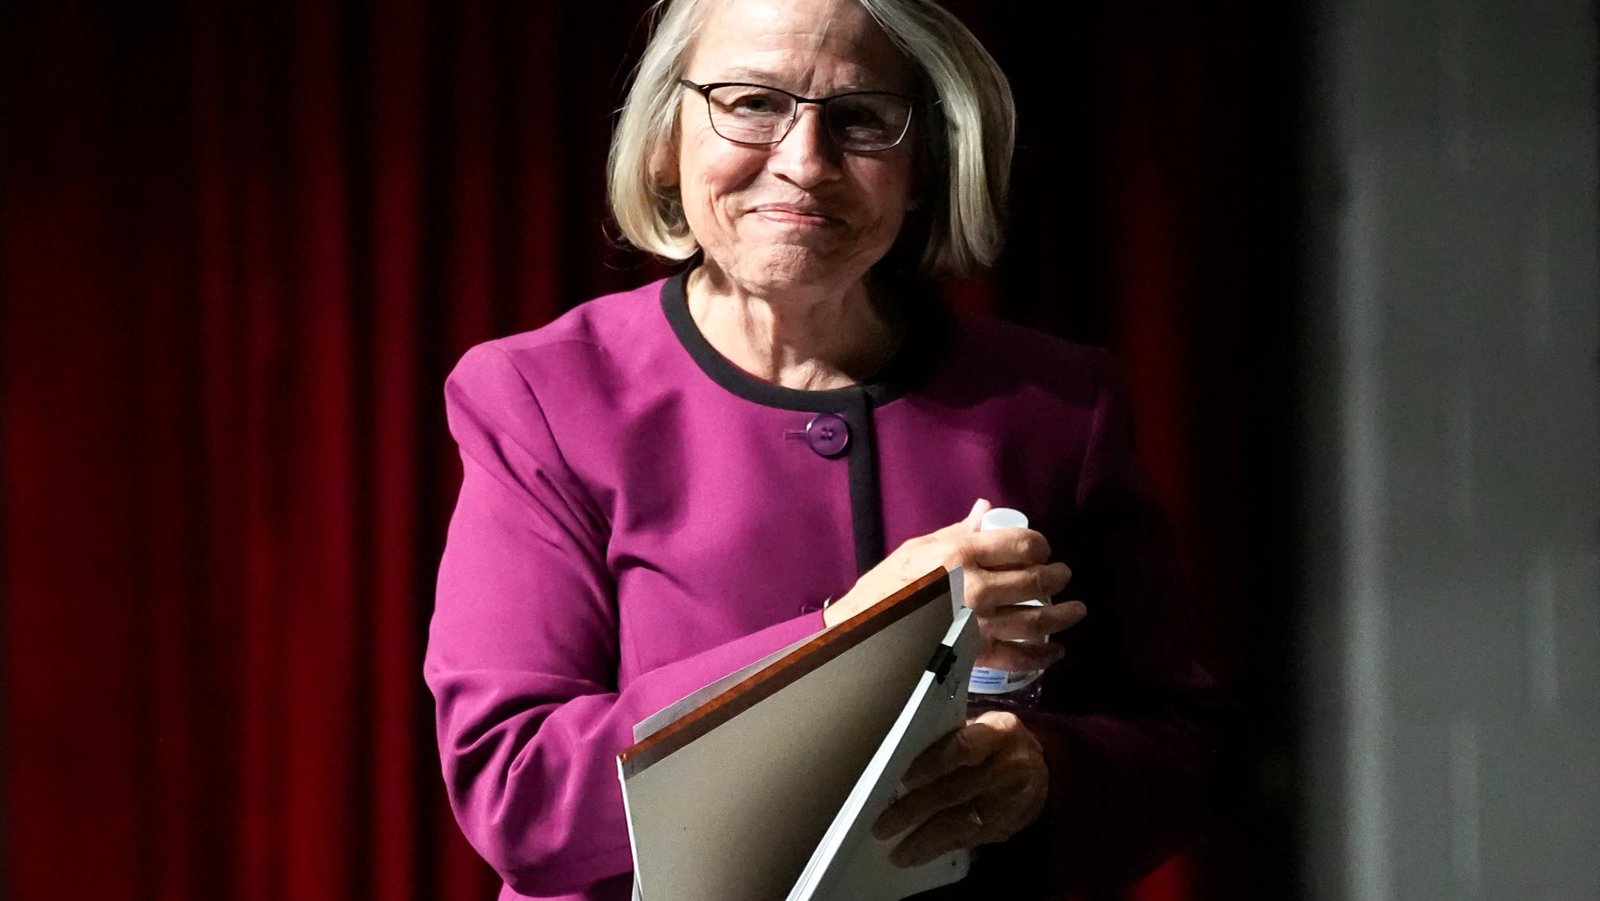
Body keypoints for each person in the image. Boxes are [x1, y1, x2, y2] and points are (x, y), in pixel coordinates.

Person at [424, 0, 1220, 898]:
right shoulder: (543, 397)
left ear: (921, 167)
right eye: (752, 103)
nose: (804, 161)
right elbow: (519, 792)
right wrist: (853, 639)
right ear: (662, 141)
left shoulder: (1057, 405)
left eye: (862, 118)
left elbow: (1186, 748)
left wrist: (1046, 770)